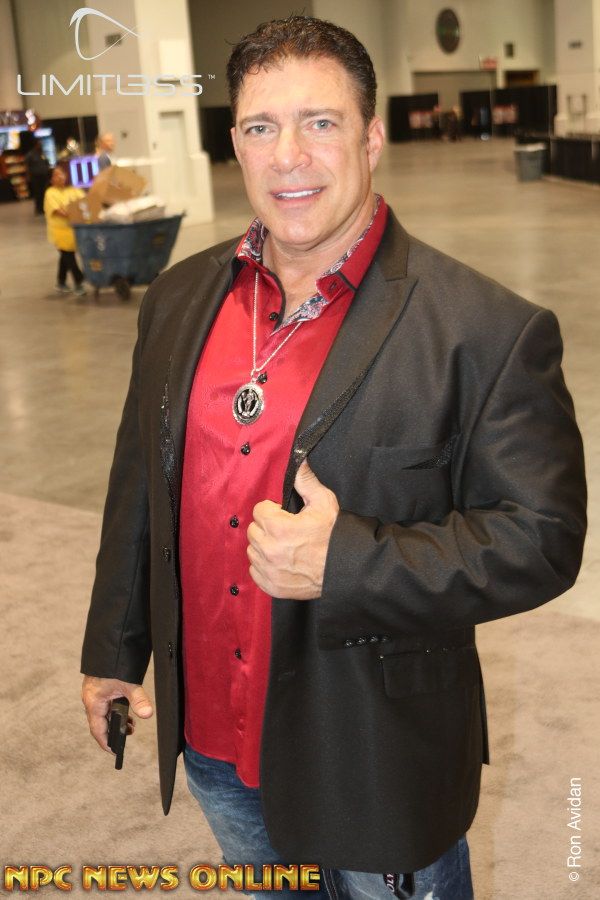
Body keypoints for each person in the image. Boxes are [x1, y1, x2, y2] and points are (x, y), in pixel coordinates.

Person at [80, 15, 586, 900]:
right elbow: (140, 489)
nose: (289, 157)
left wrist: (346, 560)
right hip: (214, 738)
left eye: (320, 122)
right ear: (235, 144)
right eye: (260, 127)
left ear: (371, 139)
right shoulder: (178, 298)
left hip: (372, 754)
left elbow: (542, 538)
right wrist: (114, 648)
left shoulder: (483, 329)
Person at [43, 166, 87, 296]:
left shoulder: (73, 190)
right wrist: (75, 212)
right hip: (59, 231)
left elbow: (85, 202)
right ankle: (79, 281)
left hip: (72, 230)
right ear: (51, 179)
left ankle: (60, 282)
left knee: (65, 256)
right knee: (69, 255)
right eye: (56, 175)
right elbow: (59, 211)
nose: (61, 177)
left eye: (62, 173)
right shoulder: (50, 193)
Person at [24, 139, 50, 215]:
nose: (40, 145)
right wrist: (28, 176)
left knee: (44, 192)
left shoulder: (42, 153)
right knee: (38, 193)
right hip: (35, 177)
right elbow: (26, 166)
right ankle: (38, 209)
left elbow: (47, 162)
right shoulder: (30, 154)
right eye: (39, 144)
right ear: (35, 145)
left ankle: (44, 208)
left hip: (44, 176)